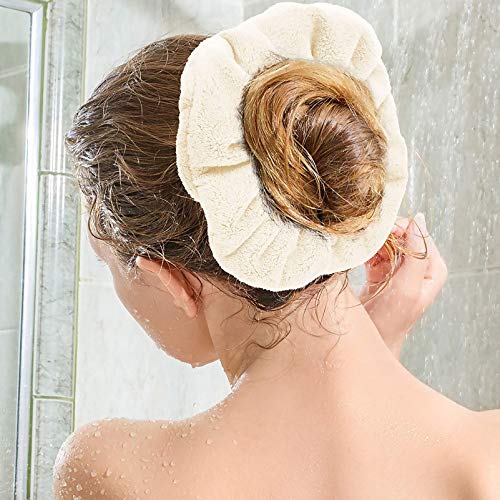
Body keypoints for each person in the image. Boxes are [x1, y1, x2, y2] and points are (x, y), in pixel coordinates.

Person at [53, 33, 499, 500]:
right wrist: (375, 349)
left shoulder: (111, 470)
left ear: (173, 281)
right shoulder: (488, 459)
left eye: (107, 264)